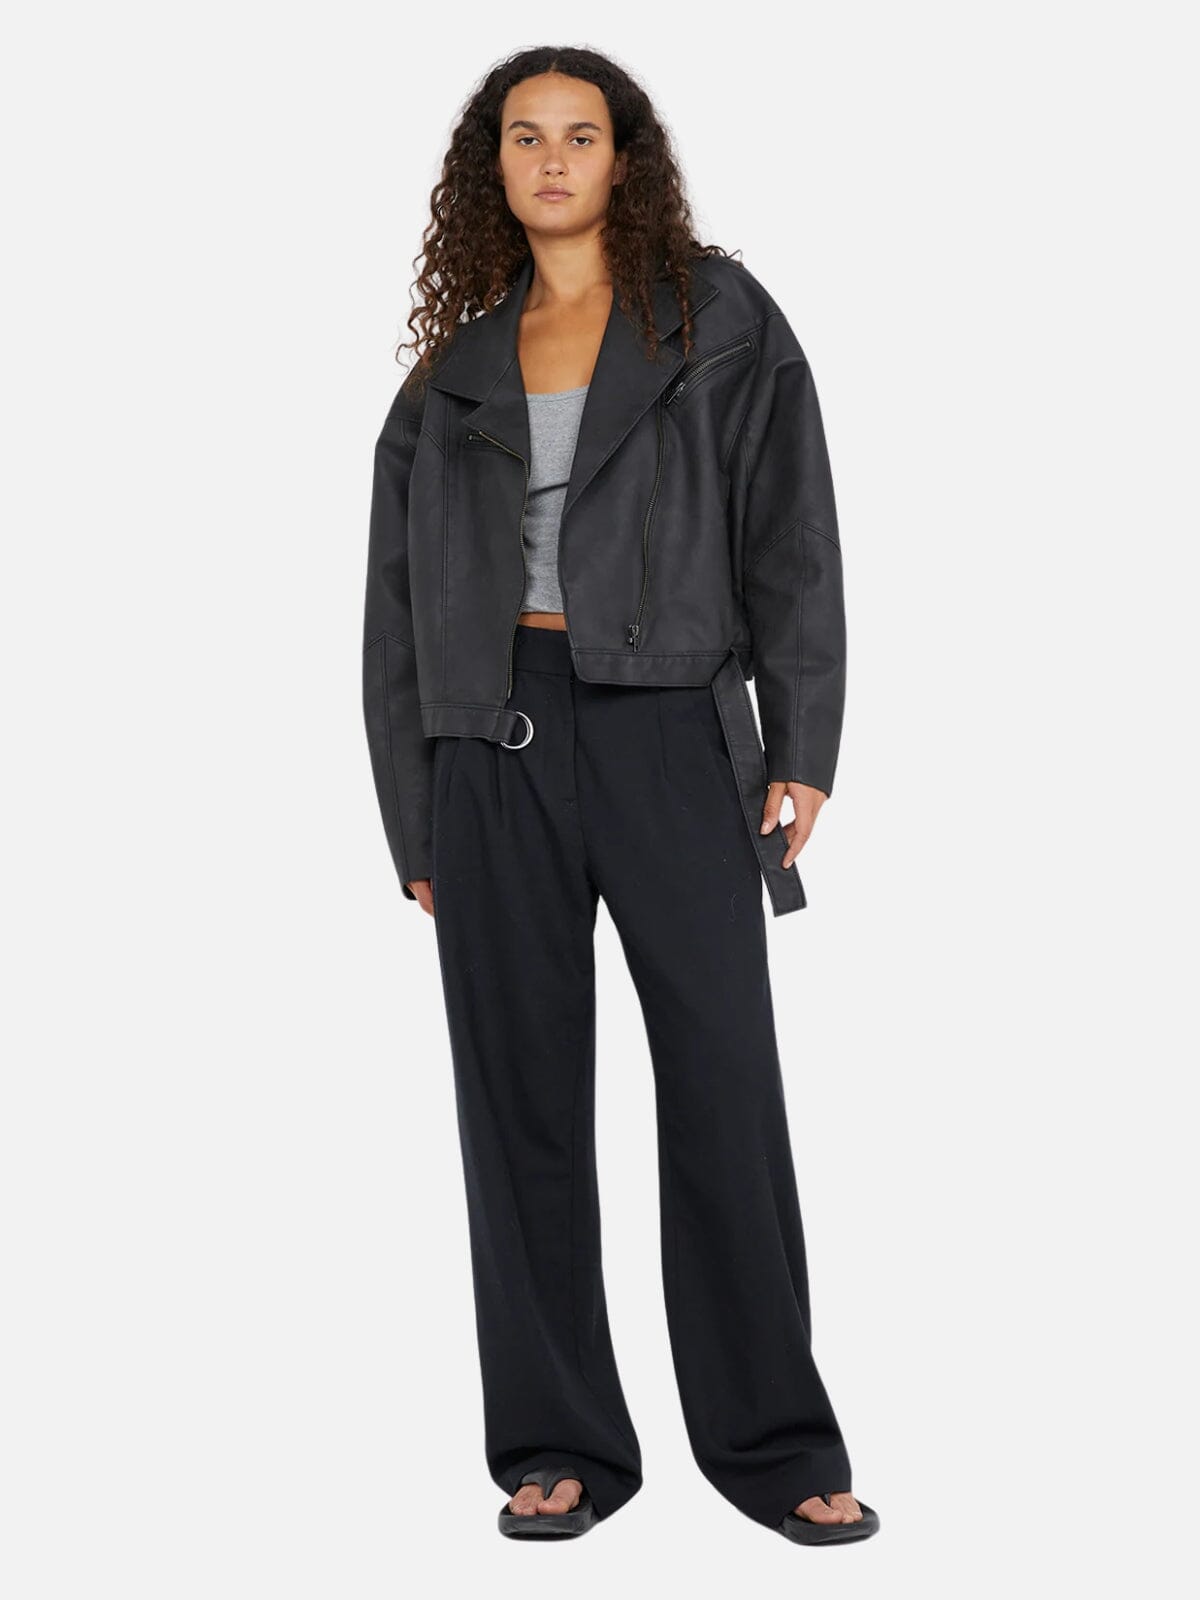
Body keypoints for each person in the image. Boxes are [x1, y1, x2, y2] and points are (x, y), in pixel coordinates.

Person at [361, 45, 879, 1545]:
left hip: (671, 732)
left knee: (722, 1085)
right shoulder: (455, 368)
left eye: (580, 135)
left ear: (625, 158)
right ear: (492, 168)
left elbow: (794, 532)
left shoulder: (719, 321)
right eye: (524, 136)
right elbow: (395, 610)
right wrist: (415, 813)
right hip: (491, 746)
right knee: (518, 1101)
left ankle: (776, 1447)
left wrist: (803, 740)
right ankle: (558, 1445)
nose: (552, 160)